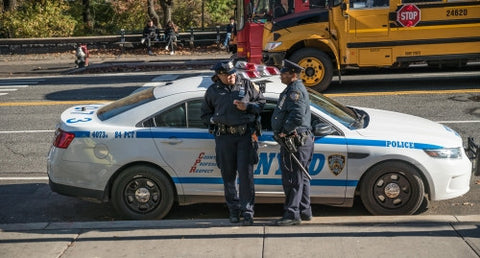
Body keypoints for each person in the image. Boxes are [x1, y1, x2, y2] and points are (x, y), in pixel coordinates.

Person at [201, 61, 265, 226]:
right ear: (219, 75)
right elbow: (204, 116)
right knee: (228, 177)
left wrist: (248, 106)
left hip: (244, 136)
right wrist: (213, 119)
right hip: (224, 138)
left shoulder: (246, 84)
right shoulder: (212, 91)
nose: (231, 77)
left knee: (246, 177)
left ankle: (248, 212)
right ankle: (234, 210)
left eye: (233, 73)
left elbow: (261, 104)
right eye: (227, 75)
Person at [271, 59, 314, 226]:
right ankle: (304, 211)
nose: (281, 75)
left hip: (295, 141)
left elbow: (297, 116)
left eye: (284, 73)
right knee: (301, 178)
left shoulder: (295, 91)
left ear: (293, 75)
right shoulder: (293, 89)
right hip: (301, 140)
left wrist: (285, 130)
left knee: (292, 179)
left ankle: (292, 215)